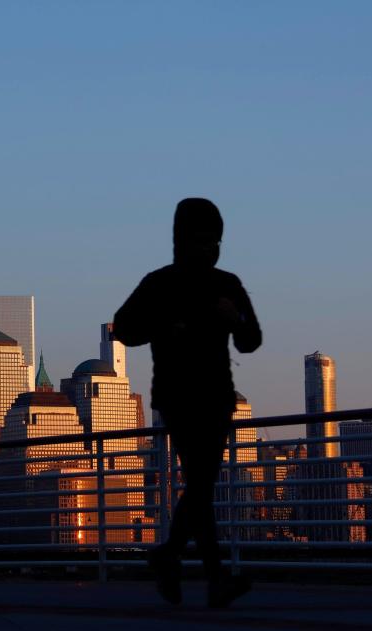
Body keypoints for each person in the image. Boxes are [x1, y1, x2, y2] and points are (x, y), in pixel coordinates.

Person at [112, 197, 261, 608]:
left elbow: (251, 341)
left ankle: (170, 556)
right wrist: (166, 325)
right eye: (202, 239)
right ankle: (204, 574)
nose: (209, 247)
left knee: (200, 486)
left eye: (215, 240)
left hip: (216, 397)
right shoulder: (160, 283)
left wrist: (237, 320)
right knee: (200, 484)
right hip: (179, 396)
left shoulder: (227, 284)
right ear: (182, 241)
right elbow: (122, 328)